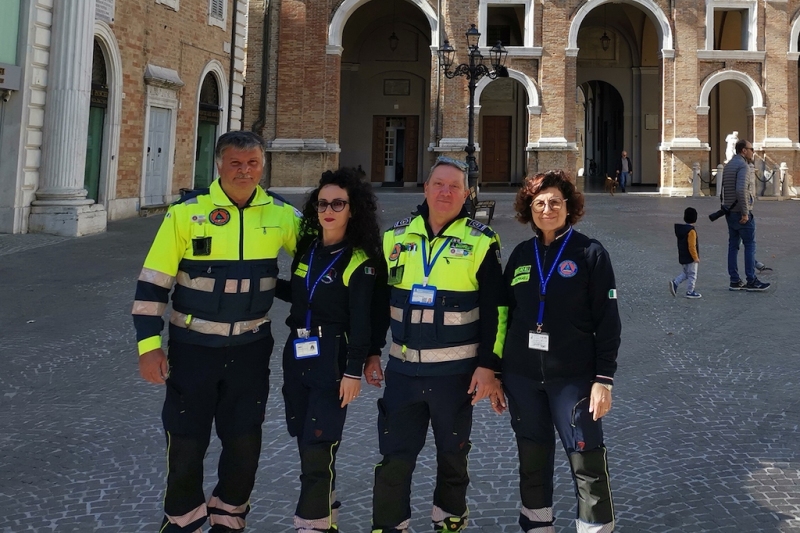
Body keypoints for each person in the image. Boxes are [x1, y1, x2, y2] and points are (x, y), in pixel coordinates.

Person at [132, 131, 301, 533]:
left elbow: (318, 266)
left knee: (244, 440)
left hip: (251, 347)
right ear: (219, 165)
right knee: (186, 439)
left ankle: (229, 516)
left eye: (253, 163)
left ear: (263, 165)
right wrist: (148, 346)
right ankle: (182, 519)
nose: (245, 171)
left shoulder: (282, 215)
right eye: (236, 164)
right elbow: (154, 283)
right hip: (193, 347)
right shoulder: (186, 213)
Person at [369, 156, 506, 533]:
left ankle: (449, 519)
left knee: (453, 456)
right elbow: (379, 302)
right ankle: (389, 524)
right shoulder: (394, 236)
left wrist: (489, 365)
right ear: (425, 188)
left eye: (454, 187)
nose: (446, 192)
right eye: (439, 184)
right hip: (403, 372)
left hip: (455, 375)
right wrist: (369, 351)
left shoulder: (481, 240)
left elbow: (497, 311)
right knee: (394, 458)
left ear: (467, 194)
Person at [501, 170, 621, 533]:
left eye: (555, 201)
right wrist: (495, 371)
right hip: (522, 376)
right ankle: (537, 526)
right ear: (529, 209)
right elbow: (504, 314)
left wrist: (603, 379)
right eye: (538, 203)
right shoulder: (522, 254)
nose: (547, 208)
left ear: (569, 207)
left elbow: (608, 320)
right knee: (532, 456)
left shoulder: (590, 253)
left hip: (574, 377)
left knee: (585, 456)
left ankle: (595, 527)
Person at [275, 168, 388, 533]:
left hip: (333, 358)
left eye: (338, 203)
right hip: (297, 353)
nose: (329, 210)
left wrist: (353, 370)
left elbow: (362, 322)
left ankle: (312, 523)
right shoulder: (308, 250)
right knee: (302, 435)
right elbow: (297, 294)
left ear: (352, 210)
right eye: (323, 203)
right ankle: (327, 510)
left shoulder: (361, 260)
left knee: (318, 444)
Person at [720, 139, 770, 291]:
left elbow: (722, 191)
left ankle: (734, 280)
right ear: (743, 150)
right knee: (750, 245)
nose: (752, 151)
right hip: (740, 212)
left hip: (729, 211)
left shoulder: (728, 166)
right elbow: (741, 190)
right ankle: (751, 280)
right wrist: (745, 213)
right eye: (751, 149)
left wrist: (725, 208)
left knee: (733, 246)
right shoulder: (743, 166)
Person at [669, 207, 702, 299]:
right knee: (692, 274)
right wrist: (695, 257)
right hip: (690, 257)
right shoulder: (691, 231)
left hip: (683, 255)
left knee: (686, 273)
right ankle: (690, 291)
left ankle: (675, 282)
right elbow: (692, 246)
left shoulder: (681, 230)